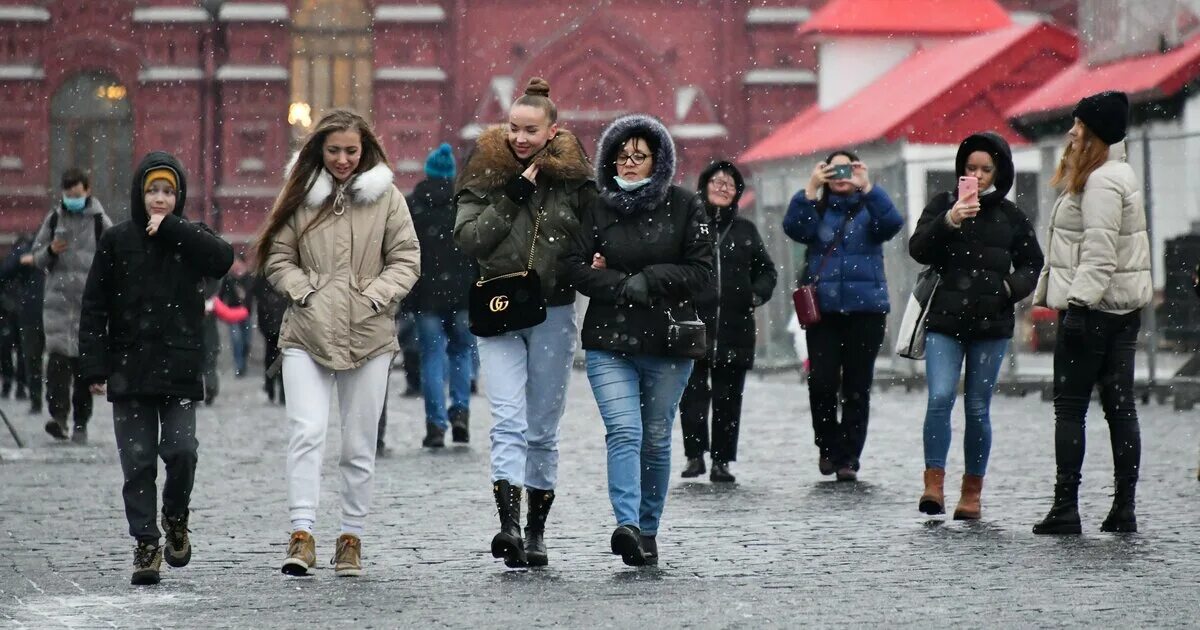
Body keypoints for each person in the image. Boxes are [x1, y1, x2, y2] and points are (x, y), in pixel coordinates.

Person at [259, 109, 420, 577]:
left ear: (365, 148)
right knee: (306, 433)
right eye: (334, 151)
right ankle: (302, 533)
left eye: (351, 150)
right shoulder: (301, 197)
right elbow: (277, 255)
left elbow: (407, 259)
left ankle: (351, 537)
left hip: (369, 334)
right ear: (319, 151)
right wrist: (305, 292)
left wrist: (374, 296)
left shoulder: (387, 198)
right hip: (306, 332)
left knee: (358, 443)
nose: (343, 159)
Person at [564, 114, 713, 567]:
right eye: (621, 156)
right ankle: (626, 524)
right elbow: (572, 266)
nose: (629, 164)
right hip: (611, 340)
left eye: (639, 157)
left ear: (657, 161)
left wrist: (649, 279)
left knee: (654, 437)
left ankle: (649, 529)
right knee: (624, 431)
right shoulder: (596, 207)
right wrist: (619, 286)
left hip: (669, 342)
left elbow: (703, 274)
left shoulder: (686, 206)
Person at [79, 152, 234, 585]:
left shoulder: (189, 237)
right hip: (129, 369)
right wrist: (94, 365)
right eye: (153, 191)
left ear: (178, 196)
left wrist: (175, 230)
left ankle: (176, 516)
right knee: (138, 460)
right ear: (139, 195)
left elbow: (222, 258)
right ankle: (146, 542)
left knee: (182, 451)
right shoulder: (116, 240)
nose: (160, 199)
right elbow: (94, 306)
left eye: (168, 191)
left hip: (180, 366)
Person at [455, 77, 592, 568]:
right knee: (507, 419)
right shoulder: (485, 172)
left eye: (530, 130)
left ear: (552, 131)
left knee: (542, 429)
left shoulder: (576, 181)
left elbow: (591, 239)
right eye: (514, 128)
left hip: (553, 309)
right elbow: (470, 240)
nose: (519, 138)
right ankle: (508, 526)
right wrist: (512, 195)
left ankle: (536, 532)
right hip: (498, 309)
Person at [1031, 91, 1152, 535]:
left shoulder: (1101, 181)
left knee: (1070, 408)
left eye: (1078, 125)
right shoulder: (1120, 173)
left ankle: (1066, 506)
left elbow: (1098, 253)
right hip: (1121, 309)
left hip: (1093, 309)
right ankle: (1124, 507)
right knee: (1120, 408)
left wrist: (1078, 306)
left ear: (1094, 132)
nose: (1070, 132)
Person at [908, 132, 1044, 519]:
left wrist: (1009, 287)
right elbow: (918, 248)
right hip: (944, 322)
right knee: (939, 399)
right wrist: (949, 221)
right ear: (961, 171)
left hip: (991, 324)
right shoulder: (942, 205)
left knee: (978, 408)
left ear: (999, 172)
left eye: (986, 169)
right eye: (971, 168)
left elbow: (1033, 263)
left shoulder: (1012, 217)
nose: (978, 176)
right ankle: (933, 484)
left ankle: (972, 493)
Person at [782, 151, 904, 481]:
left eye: (846, 169)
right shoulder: (816, 208)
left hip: (866, 310)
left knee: (856, 386)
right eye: (832, 169)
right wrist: (809, 189)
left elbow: (892, 224)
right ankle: (827, 446)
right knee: (821, 383)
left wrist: (869, 187)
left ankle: (848, 457)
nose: (840, 175)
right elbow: (795, 229)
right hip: (824, 311)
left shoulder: (870, 207)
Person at [679, 160, 776, 483]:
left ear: (737, 193)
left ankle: (722, 461)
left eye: (730, 184)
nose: (723, 188)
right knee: (691, 394)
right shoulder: (689, 226)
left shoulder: (746, 230)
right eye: (716, 182)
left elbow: (767, 271)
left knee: (728, 399)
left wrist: (755, 295)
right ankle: (695, 455)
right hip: (693, 325)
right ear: (704, 186)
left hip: (736, 328)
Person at [31, 167, 113, 443]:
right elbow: (37, 257)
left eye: (76, 194)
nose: (72, 199)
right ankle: (58, 418)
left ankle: (80, 422)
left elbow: (115, 258)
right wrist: (51, 251)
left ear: (87, 191)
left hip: (87, 308)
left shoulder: (101, 222)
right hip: (57, 305)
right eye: (68, 195)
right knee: (56, 366)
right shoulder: (54, 218)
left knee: (83, 372)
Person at [411, 142, 476, 448]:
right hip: (463, 296)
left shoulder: (414, 205)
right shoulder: (465, 203)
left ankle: (436, 425)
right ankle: (461, 413)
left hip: (427, 297)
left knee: (432, 359)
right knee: (462, 354)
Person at [0, 233, 46, 413]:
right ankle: (30, 393)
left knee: (32, 355)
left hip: (45, 310)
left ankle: (39, 397)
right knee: (28, 354)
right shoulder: (27, 252)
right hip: (31, 311)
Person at [252, 270, 288, 404]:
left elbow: (256, 293)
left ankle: (273, 387)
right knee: (278, 357)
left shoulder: (264, 274)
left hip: (273, 322)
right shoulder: (270, 274)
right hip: (275, 322)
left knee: (275, 356)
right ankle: (276, 388)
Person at [219, 255, 254, 377]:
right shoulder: (229, 279)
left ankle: (243, 362)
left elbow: (256, 294)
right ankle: (239, 366)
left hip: (246, 314)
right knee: (236, 340)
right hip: (233, 314)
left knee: (246, 341)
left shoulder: (249, 278)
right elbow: (221, 296)